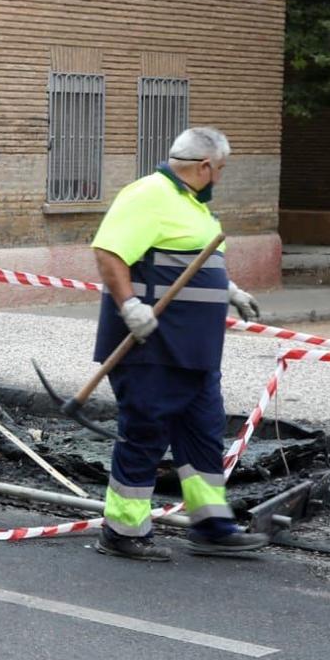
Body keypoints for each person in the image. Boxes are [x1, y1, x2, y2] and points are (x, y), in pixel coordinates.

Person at [87, 126, 267, 560]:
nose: (219, 179)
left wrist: (229, 291)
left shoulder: (193, 206)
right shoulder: (148, 194)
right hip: (152, 347)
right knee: (145, 433)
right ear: (204, 166)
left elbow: (195, 260)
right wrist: (130, 305)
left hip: (194, 351)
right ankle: (122, 531)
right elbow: (109, 251)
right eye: (219, 170)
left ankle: (211, 526)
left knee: (203, 436)